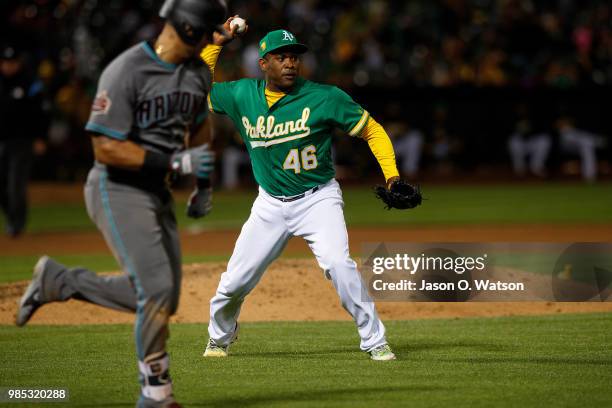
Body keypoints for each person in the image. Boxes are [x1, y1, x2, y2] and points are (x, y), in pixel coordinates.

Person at [15, 2, 239, 407]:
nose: (210, 40)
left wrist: (202, 186)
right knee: (155, 291)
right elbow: (104, 146)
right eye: (205, 32)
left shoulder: (195, 76)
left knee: (162, 298)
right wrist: (171, 161)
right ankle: (155, 394)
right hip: (116, 187)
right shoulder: (126, 70)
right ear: (188, 30)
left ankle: (59, 282)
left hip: (156, 191)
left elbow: (201, 130)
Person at [200, 29, 404, 361]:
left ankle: (374, 340)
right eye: (281, 57)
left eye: (294, 56)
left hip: (318, 199)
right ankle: (220, 337)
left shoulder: (325, 97)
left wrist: (392, 175)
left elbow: (372, 130)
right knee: (234, 282)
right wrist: (216, 43)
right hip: (269, 204)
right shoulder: (241, 95)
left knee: (340, 265)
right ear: (263, 64)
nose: (290, 63)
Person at [0, 41, 48, 237]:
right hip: (2, 140)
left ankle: (17, 224)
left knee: (15, 184)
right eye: (4, 61)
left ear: (19, 63)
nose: (7, 65)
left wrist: (40, 138)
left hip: (23, 141)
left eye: (11, 62)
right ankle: (12, 217)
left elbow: (42, 114)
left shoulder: (30, 82)